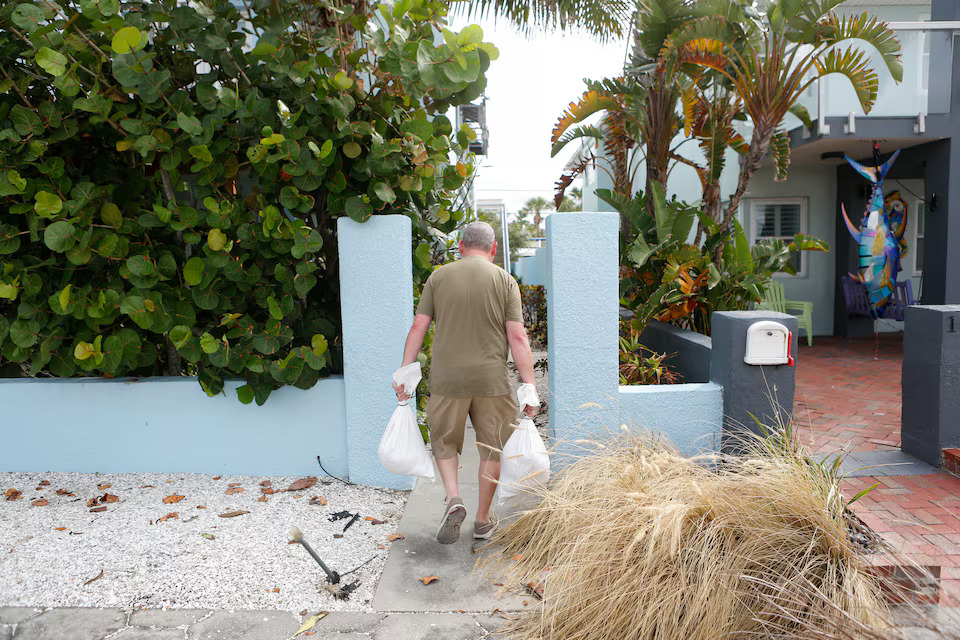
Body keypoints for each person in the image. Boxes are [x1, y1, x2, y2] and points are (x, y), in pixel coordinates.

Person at [393, 221, 538, 545]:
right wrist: (529, 386)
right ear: (494, 248)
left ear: (460, 247)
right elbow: (517, 336)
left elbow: (418, 327)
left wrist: (404, 372)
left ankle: (453, 499)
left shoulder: (439, 277)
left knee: (444, 443)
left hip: (448, 380)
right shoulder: (505, 280)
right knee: (492, 448)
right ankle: (483, 521)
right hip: (492, 380)